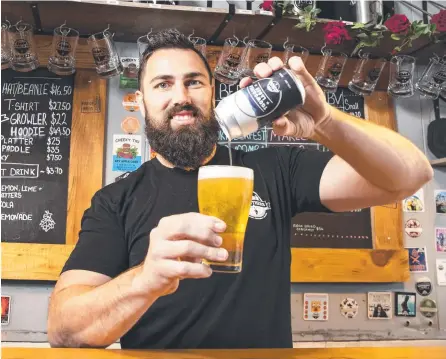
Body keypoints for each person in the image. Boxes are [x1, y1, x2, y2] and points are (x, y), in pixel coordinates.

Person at [47, 29, 433, 349]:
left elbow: (410, 174)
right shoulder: (115, 201)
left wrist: (325, 120)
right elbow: (64, 331)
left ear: (212, 93)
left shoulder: (275, 168)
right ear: (141, 101)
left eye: (193, 82)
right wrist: (145, 280)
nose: (181, 97)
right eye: (163, 84)